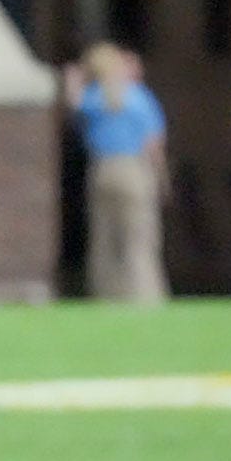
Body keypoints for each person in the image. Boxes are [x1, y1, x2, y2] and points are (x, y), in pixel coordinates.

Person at [65, 41, 169, 302]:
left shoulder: (94, 95)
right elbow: (153, 142)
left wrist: (73, 81)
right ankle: (145, 295)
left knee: (103, 238)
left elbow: (74, 107)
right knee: (139, 237)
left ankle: (106, 295)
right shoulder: (138, 96)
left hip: (102, 168)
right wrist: (161, 177)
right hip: (133, 169)